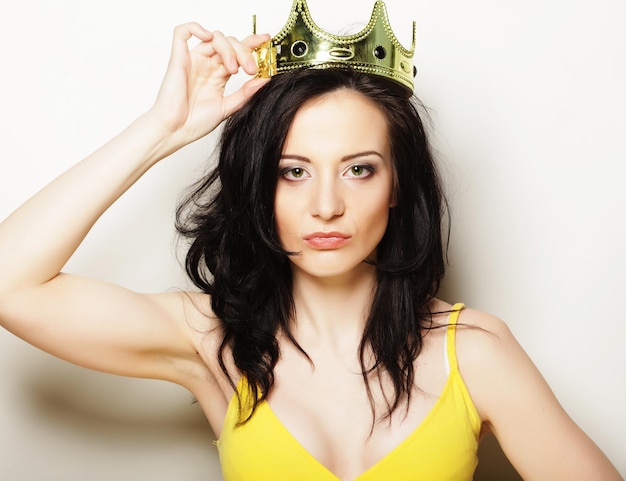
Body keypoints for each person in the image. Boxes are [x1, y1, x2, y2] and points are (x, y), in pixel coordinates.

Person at [0, 0, 622, 479]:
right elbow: (11, 284)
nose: (326, 205)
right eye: (292, 172)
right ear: (260, 188)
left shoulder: (474, 354)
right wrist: (165, 129)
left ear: (398, 185)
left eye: (359, 169)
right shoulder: (213, 342)